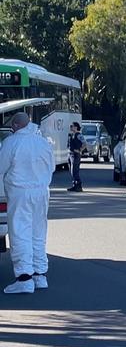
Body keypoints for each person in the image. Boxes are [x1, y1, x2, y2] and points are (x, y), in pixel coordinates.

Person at [0, 112, 55, 294]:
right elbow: (52, 167)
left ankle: (24, 278)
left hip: (20, 192)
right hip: (41, 192)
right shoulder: (43, 142)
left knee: (20, 233)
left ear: (15, 125)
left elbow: (1, 167)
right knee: (38, 232)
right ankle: (40, 275)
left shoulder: (12, 142)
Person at [67, 122, 85, 192]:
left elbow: (84, 143)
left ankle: (79, 186)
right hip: (71, 154)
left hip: (75, 155)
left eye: (72, 126)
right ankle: (74, 185)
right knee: (72, 171)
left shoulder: (79, 135)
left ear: (76, 127)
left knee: (75, 171)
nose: (71, 127)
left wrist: (80, 150)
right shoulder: (72, 135)